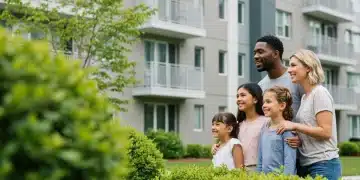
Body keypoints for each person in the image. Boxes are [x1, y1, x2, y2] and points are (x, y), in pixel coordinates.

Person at [277, 49, 341, 180]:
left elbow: (326, 132)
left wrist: (294, 126)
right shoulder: (306, 97)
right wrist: (301, 140)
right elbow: (312, 127)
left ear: (307, 67)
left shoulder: (320, 93)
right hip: (307, 164)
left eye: (293, 65)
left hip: (323, 165)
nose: (289, 70)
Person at [253, 35, 303, 148]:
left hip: (299, 153)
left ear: (276, 54)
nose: (256, 56)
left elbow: (310, 114)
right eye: (255, 53)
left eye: (260, 52)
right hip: (274, 152)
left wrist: (303, 139)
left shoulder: (296, 79)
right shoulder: (260, 86)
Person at [256, 86, 297, 175]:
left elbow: (290, 162)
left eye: (268, 102)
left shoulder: (287, 130)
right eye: (263, 102)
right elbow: (260, 158)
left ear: (282, 105)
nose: (264, 105)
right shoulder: (264, 127)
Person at [236, 83, 268, 171]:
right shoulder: (238, 125)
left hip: (259, 170)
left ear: (255, 99)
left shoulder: (266, 122)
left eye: (243, 95)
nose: (239, 99)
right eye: (237, 96)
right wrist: (216, 147)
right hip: (240, 171)